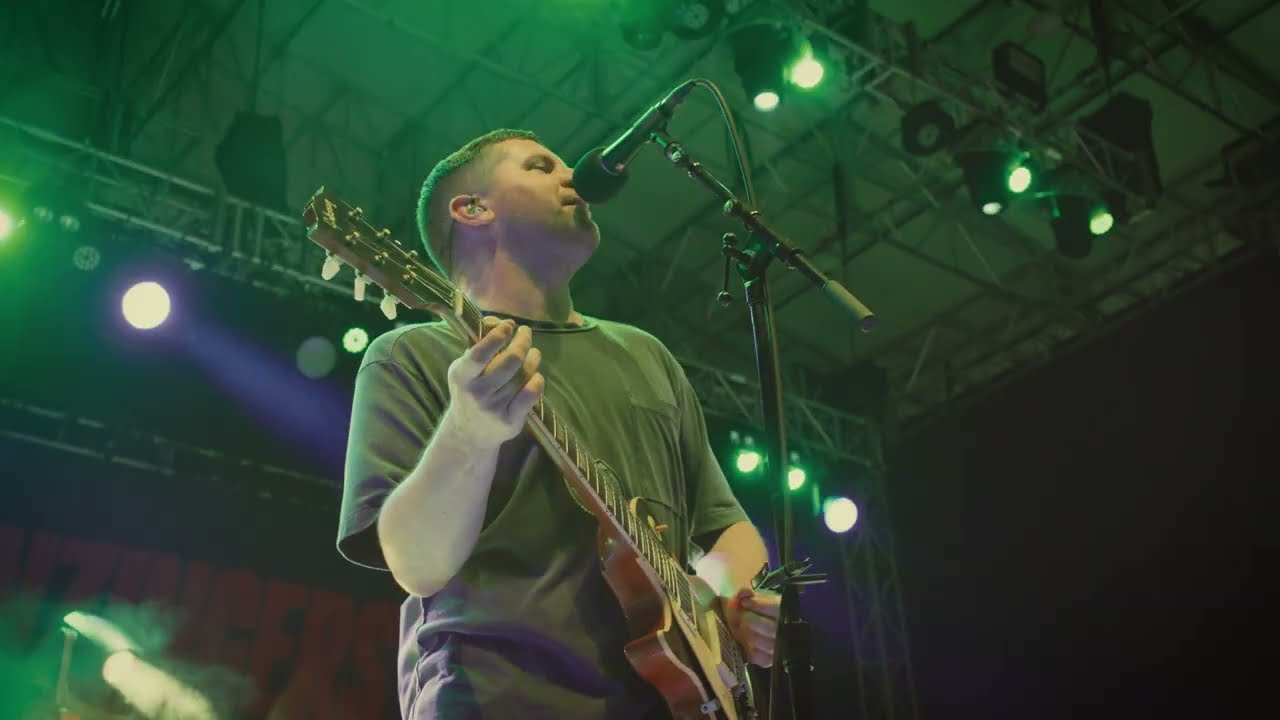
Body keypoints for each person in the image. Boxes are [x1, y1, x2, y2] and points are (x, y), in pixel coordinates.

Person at [336, 128, 780, 719]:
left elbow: (726, 530)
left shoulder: (646, 355)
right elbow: (416, 566)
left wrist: (726, 605)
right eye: (542, 166)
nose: (573, 177)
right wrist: (468, 428)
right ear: (472, 209)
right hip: (498, 700)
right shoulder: (413, 354)